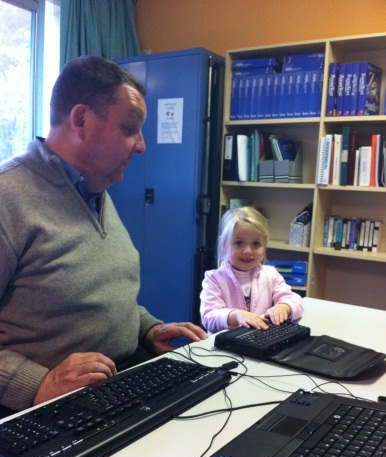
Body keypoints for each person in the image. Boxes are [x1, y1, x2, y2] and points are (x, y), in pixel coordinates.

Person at [0, 56, 207, 416]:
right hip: (43, 408)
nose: (142, 146)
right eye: (130, 128)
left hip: (120, 382)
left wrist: (145, 328)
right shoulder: (8, 198)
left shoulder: (95, 192)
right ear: (81, 120)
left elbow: (100, 291)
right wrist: (34, 383)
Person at [200, 206, 303, 334]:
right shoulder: (214, 279)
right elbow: (208, 317)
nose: (248, 251)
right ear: (223, 244)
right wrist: (235, 316)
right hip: (225, 346)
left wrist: (283, 307)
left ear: (265, 245)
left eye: (256, 244)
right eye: (239, 243)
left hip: (259, 341)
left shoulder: (271, 275)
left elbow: (295, 300)